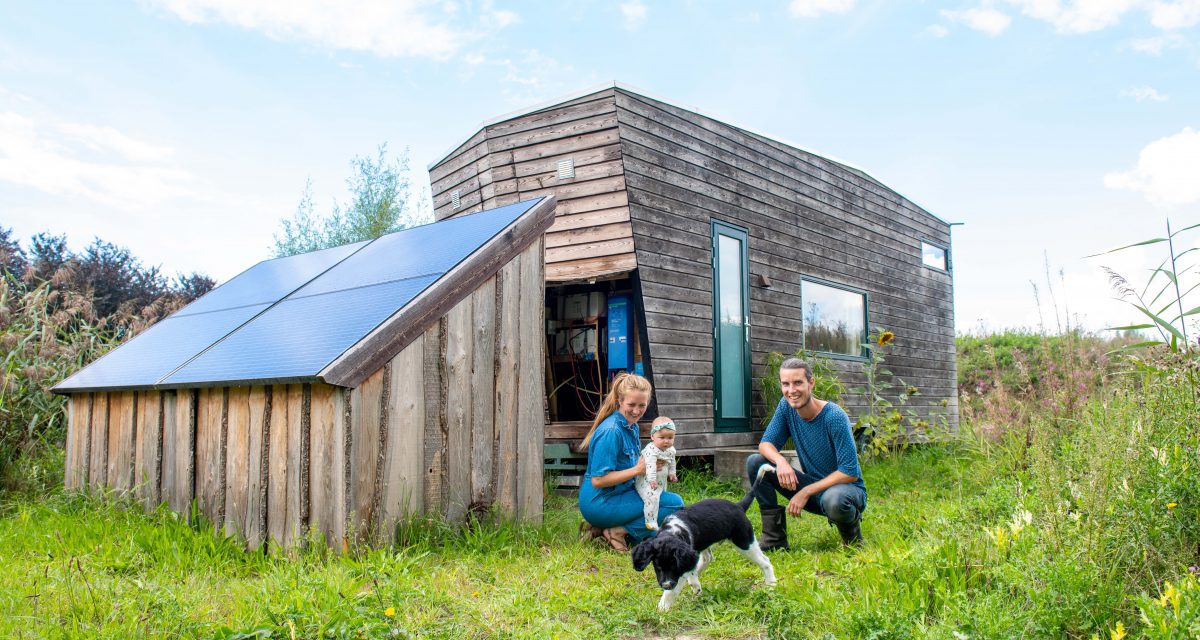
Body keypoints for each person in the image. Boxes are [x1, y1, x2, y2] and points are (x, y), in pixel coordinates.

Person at [746, 358, 867, 548]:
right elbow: (765, 445)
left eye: (798, 383)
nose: (791, 390)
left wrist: (806, 491)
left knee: (834, 499)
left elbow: (849, 472)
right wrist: (781, 461)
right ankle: (774, 539)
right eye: (786, 384)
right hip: (814, 488)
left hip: (846, 492)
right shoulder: (786, 407)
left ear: (811, 383)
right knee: (757, 462)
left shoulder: (834, 417)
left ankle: (853, 541)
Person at [578, 373, 684, 552]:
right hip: (601, 501)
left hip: (621, 493)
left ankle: (599, 529)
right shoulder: (611, 431)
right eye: (631, 405)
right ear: (620, 400)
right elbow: (598, 480)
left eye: (642, 405)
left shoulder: (631, 426)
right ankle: (616, 531)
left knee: (655, 533)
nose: (636, 411)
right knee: (673, 504)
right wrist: (638, 470)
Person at [636, 416, 678, 531]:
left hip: (661, 480)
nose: (666, 441)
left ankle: (661, 517)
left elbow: (672, 461)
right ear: (652, 437)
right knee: (652, 498)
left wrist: (672, 473)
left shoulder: (671, 450)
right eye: (662, 437)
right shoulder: (651, 450)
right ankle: (650, 521)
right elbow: (650, 466)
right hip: (647, 481)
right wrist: (651, 480)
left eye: (670, 437)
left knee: (661, 495)